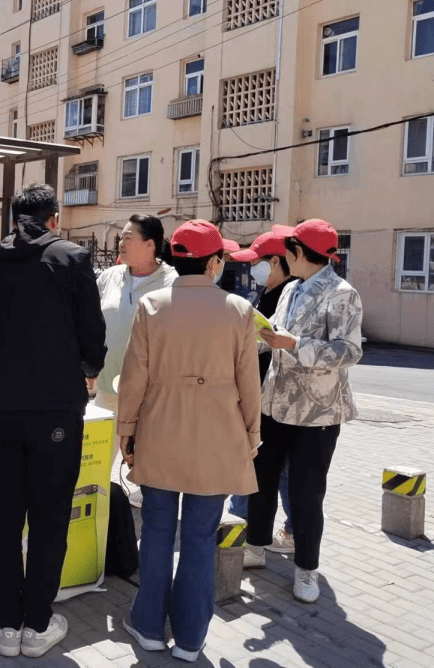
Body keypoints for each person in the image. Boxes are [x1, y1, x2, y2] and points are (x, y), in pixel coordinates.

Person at [0, 183, 107, 659]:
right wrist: (90, 370)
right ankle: (37, 624)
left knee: (4, 515)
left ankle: (8, 626)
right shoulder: (71, 259)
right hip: (55, 409)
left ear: (14, 219)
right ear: (54, 218)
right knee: (50, 516)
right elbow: (92, 328)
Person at [117, 219, 261, 663]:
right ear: (214, 262)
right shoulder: (239, 310)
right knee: (200, 538)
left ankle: (148, 628)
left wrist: (126, 430)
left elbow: (134, 378)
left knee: (158, 532)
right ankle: (192, 637)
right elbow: (249, 382)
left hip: (160, 431)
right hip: (218, 436)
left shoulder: (152, 305)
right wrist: (252, 434)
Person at [245, 219, 363, 604]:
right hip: (276, 403)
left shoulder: (343, 294)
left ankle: (306, 569)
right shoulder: (291, 288)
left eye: (287, 252)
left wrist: (295, 343)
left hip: (318, 415)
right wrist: (253, 341)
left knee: (306, 493)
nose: (281, 259)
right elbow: (274, 335)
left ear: (299, 253)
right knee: (261, 480)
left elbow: (349, 351)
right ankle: (256, 546)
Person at [228, 231, 297, 551]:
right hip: (263, 397)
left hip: (271, 401)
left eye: (256, 262)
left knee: (264, 465)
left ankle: (242, 528)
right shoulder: (268, 293)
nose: (251, 268)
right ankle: (256, 525)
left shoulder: (286, 297)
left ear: (275, 262)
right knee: (277, 468)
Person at [94, 214, 177, 415]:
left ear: (150, 245)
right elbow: (90, 322)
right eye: (121, 238)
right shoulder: (109, 277)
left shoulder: (171, 283)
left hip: (149, 398)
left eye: (127, 238)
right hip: (107, 393)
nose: (121, 243)